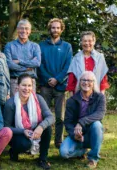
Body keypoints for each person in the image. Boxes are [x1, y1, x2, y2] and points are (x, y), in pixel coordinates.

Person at [4, 74, 55, 170]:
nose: (26, 88)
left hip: (35, 130)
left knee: (47, 128)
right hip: (18, 134)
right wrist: (23, 131)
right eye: (23, 85)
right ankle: (13, 151)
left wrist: (41, 127)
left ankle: (43, 159)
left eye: (29, 85)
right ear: (18, 86)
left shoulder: (38, 99)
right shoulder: (10, 103)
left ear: (32, 87)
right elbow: (6, 127)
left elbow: (51, 117)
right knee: (25, 144)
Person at [60, 71, 106, 169]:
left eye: (89, 80)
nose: (86, 82)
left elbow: (100, 114)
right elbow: (68, 122)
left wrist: (81, 122)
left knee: (97, 124)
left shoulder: (100, 97)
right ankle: (82, 151)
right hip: (77, 134)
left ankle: (93, 158)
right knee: (64, 153)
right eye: (84, 80)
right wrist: (74, 135)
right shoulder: (71, 101)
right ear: (79, 82)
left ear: (94, 83)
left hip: (92, 134)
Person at [39, 18, 73, 148]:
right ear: (50, 29)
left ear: (61, 29)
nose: (55, 30)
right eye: (53, 27)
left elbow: (68, 65)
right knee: (43, 115)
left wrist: (57, 79)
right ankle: (43, 139)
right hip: (45, 85)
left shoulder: (67, 46)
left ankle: (58, 141)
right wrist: (48, 78)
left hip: (60, 86)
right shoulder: (41, 45)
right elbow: (39, 64)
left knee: (60, 117)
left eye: (58, 28)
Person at [4, 19, 41, 96]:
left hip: (30, 82)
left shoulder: (35, 46)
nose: (24, 31)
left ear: (30, 31)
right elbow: (10, 64)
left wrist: (19, 61)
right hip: (15, 82)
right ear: (17, 30)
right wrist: (27, 67)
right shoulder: (9, 46)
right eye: (21, 28)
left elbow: (37, 63)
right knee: (14, 105)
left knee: (30, 106)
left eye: (26, 28)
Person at [66, 31, 109, 96]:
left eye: (89, 41)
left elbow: (103, 81)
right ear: (81, 42)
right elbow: (71, 81)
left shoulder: (100, 58)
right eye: (84, 41)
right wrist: (73, 99)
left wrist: (101, 99)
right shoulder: (76, 58)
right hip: (79, 97)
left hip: (96, 96)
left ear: (94, 42)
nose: (87, 43)